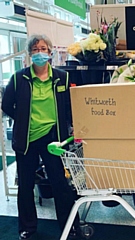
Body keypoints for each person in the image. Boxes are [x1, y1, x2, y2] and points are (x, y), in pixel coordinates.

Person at [1, 34, 81, 240]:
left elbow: (69, 106)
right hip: (26, 139)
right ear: (29, 55)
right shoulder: (20, 78)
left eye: (43, 48)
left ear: (50, 52)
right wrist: (23, 119)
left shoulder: (61, 77)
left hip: (53, 139)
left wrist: (73, 127)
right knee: (26, 185)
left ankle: (70, 225)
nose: (39, 53)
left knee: (60, 184)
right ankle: (27, 228)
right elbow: (6, 104)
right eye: (35, 49)